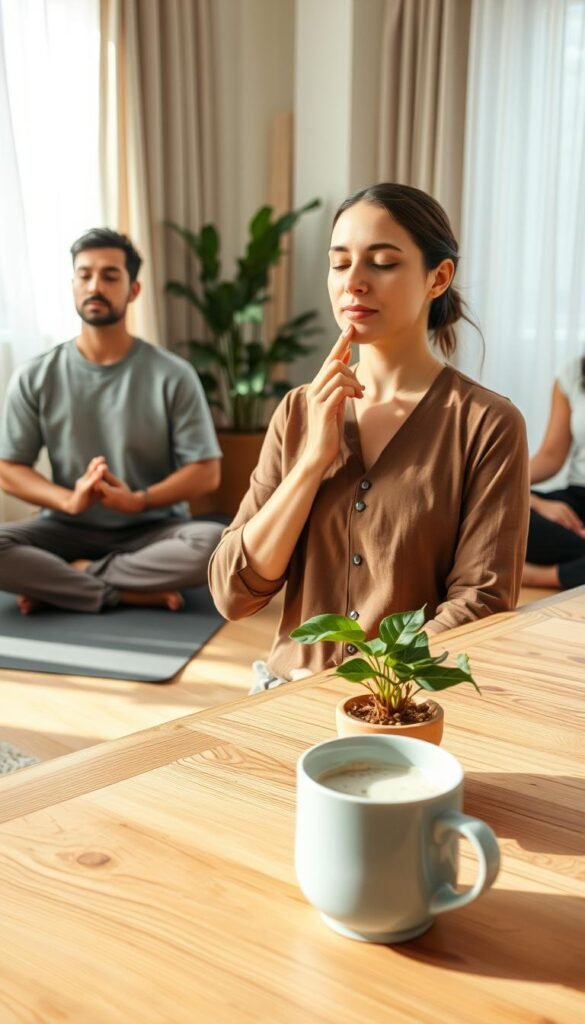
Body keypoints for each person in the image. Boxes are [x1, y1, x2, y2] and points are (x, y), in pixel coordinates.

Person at [208, 183, 530, 685]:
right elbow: (233, 592)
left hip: (403, 706)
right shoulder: (298, 412)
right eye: (340, 263)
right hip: (282, 693)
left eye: (382, 262)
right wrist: (314, 460)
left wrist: (369, 688)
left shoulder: (487, 424)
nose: (353, 282)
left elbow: (479, 602)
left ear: (438, 277)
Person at [0, 228, 223, 614]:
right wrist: (68, 501)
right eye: (84, 275)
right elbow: (7, 468)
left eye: (109, 276)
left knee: (219, 543)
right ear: (73, 286)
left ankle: (66, 581)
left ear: (133, 290)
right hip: (65, 528)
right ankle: (119, 590)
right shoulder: (35, 375)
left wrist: (139, 501)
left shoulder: (173, 374)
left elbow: (206, 473)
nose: (94, 286)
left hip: (152, 530)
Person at [523, 358, 585, 589]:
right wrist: (533, 501)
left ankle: (534, 576)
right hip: (579, 499)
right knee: (498, 510)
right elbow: (550, 456)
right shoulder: (574, 373)